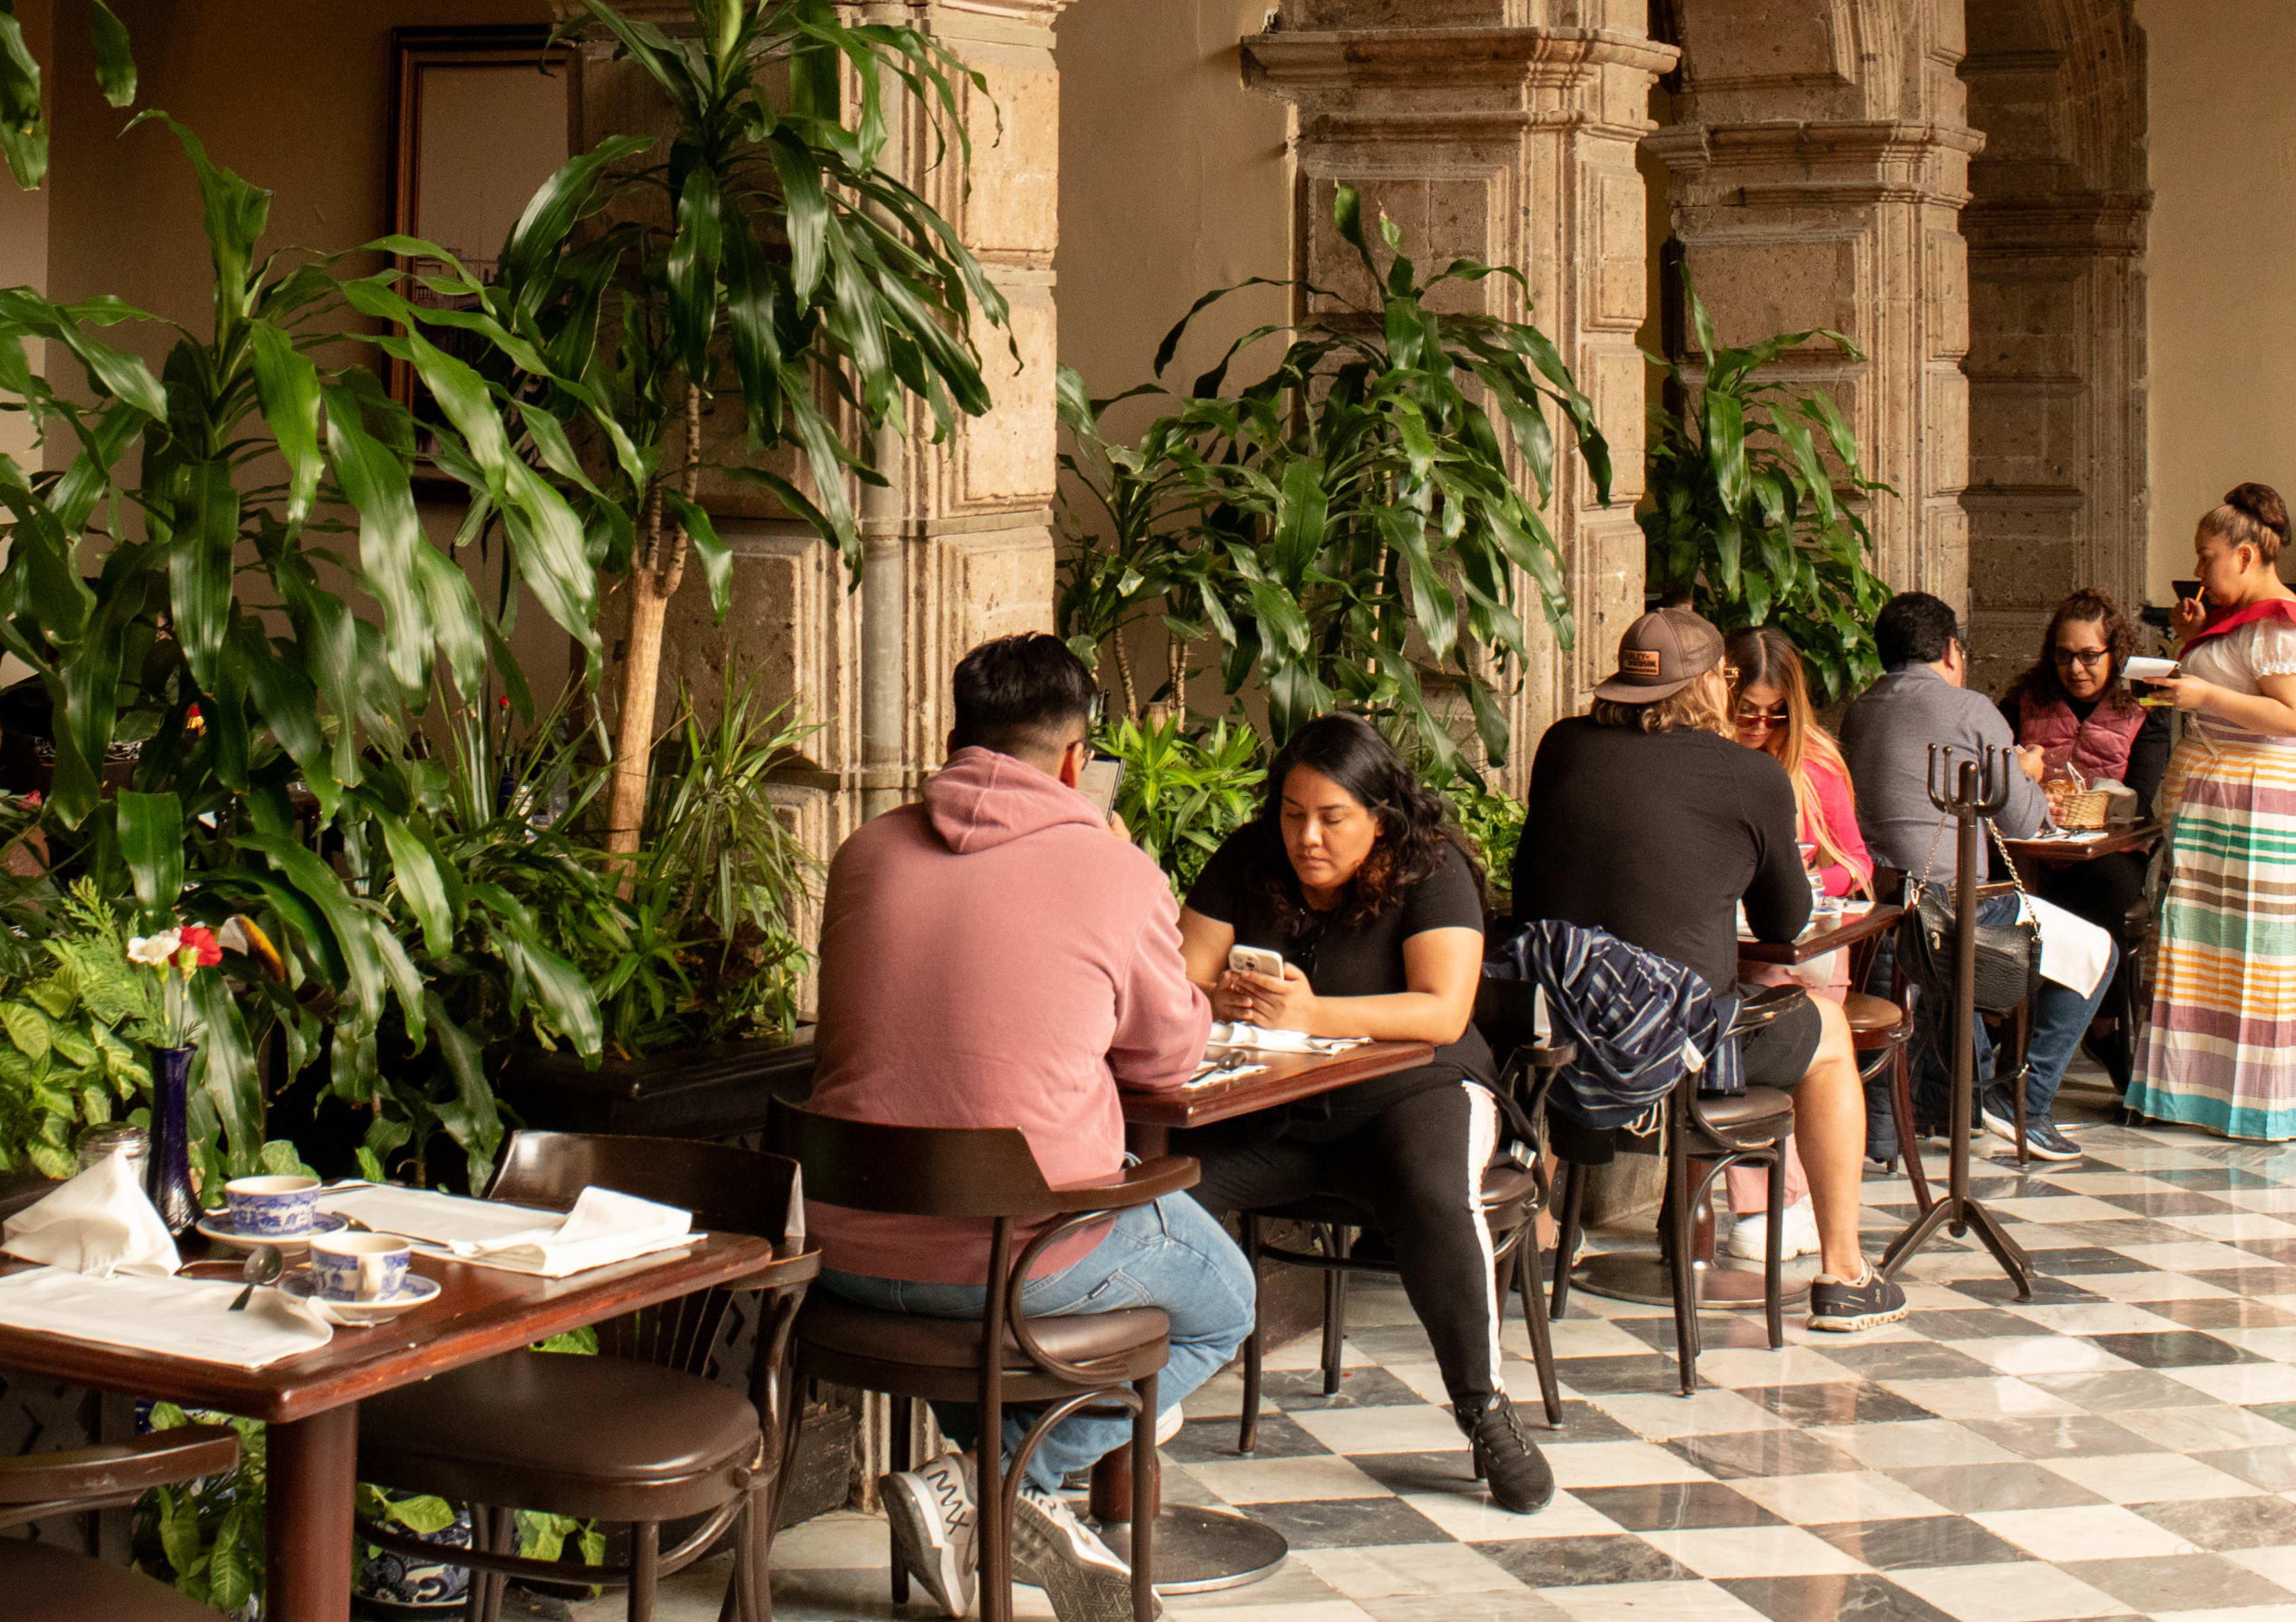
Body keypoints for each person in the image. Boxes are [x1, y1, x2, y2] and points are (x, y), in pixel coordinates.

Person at [806, 635, 1256, 1622]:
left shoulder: (864, 851)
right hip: (1012, 1263)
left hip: (838, 1248)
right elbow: (1167, 1059)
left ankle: (992, 1498)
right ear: (1072, 757)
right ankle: (992, 1486)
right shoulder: (1110, 868)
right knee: (1227, 1297)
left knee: (1011, 1323)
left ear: (955, 737)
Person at [1177, 715, 1550, 1511]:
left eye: (1331, 817)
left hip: (1415, 1094)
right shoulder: (1248, 859)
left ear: (1379, 817)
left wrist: (1309, 1013)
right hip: (1278, 1113)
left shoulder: (1431, 868)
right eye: (1291, 812)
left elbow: (1443, 1013)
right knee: (1165, 1186)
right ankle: (1134, 1403)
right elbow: (1181, 978)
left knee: (1428, 1186)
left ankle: (1484, 1409)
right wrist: (1220, 996)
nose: (1306, 836)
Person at [1517, 605, 1907, 1337]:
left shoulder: (1562, 746)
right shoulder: (1749, 774)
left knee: (1561, 996)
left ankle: (1541, 1246)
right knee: (1826, 1034)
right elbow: (1785, 924)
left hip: (1559, 1037)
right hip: (1681, 1049)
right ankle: (1845, 1273)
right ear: (1712, 686)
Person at [1843, 592, 2104, 1165]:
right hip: (1954, 911)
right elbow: (2023, 821)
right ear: (1950, 650)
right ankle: (2023, 1104)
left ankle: (1975, 1093)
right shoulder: (1970, 708)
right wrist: (2027, 771)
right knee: (2098, 951)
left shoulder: (1859, 709)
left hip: (1879, 911)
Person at [2128, 483, 2296, 1143]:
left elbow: (2294, 717)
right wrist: (2192, 639)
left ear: (2245, 556)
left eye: (2207, 556)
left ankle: (2261, 1101)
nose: (2200, 569)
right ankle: (2195, 1091)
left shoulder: (2281, 621)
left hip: (2257, 798)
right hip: (2218, 795)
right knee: (2205, 945)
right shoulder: (2240, 616)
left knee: (2258, 956)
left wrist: (2204, 691)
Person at [1720, 628, 1870, 1261]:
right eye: (1745, 712)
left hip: (1804, 946)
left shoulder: (1816, 763)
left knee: (1772, 1002)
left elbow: (1857, 864)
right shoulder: (1709, 759)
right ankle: (1769, 1199)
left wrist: (1809, 877)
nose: (1758, 726)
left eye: (1773, 714)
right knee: (1721, 1010)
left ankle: (1774, 1201)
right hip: (1730, 946)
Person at [1993, 591, 2169, 1090]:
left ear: (2114, 653)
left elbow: (2143, 791)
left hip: (2110, 849)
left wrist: (2096, 802)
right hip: (2035, 847)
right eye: (2064, 656)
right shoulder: (2025, 700)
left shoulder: (2142, 706)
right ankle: (2011, 1025)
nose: (2076, 668)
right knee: (2010, 897)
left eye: (2090, 655)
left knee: (2109, 894)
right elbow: (2003, 768)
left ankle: (2104, 1021)